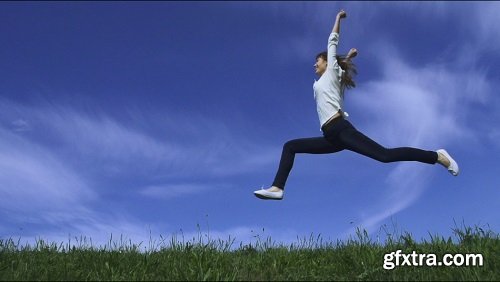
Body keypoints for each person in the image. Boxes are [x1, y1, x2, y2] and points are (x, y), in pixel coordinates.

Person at [254, 9, 459, 201]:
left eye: (318, 61)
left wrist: (338, 18)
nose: (314, 64)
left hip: (341, 130)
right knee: (290, 146)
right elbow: (341, 73)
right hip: (330, 137)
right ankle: (278, 188)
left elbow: (332, 40)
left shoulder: (332, 73)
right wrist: (348, 59)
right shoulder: (331, 78)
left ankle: (437, 156)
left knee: (385, 156)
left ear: (328, 62)